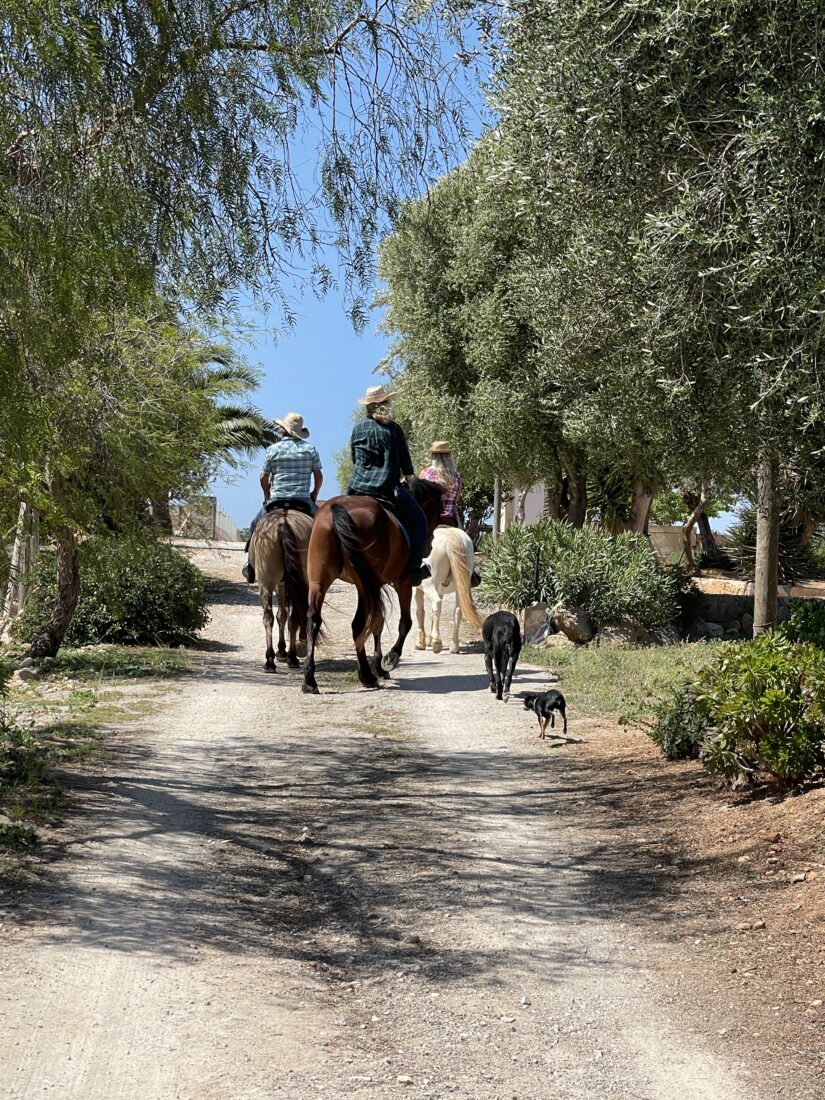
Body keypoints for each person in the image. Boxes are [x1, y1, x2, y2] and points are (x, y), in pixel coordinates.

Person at [347, 384, 431, 584]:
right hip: (386, 489)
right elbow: (405, 463)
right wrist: (409, 478)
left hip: (356, 488)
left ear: (368, 407)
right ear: (385, 404)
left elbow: (354, 459)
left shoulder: (358, 428)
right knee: (420, 521)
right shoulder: (394, 430)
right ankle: (413, 569)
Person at [242, 411, 323, 583]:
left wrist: (267, 495)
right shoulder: (310, 449)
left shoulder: (273, 450)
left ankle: (250, 565)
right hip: (303, 501)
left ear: (283, 430)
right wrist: (314, 494)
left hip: (276, 500)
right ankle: (326, 564)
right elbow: (318, 476)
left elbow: (263, 477)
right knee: (325, 528)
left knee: (254, 524)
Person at [419, 441, 463, 527]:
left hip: (431, 520)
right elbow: (456, 500)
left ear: (433, 456)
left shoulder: (425, 473)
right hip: (451, 519)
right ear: (448, 456)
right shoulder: (456, 476)